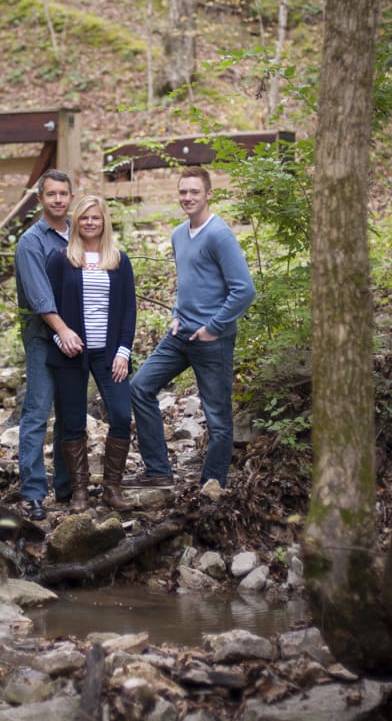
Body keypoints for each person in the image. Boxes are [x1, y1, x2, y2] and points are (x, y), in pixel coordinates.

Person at [123, 166, 255, 499]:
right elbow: (186, 282)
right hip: (180, 336)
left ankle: (211, 487)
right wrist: (175, 315)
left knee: (218, 419)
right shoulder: (179, 234)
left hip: (212, 341)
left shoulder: (219, 235)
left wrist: (214, 327)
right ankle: (159, 472)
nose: (188, 197)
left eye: (194, 191)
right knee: (140, 386)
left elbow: (244, 290)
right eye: (183, 192)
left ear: (208, 193)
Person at [43, 194, 136, 513]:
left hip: (109, 354)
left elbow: (128, 311)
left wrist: (123, 352)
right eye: (84, 218)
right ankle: (80, 491)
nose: (90, 223)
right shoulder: (60, 259)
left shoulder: (119, 261)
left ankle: (112, 488)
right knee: (72, 422)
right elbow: (47, 307)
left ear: (104, 221)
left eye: (95, 217)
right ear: (76, 222)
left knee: (122, 415)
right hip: (71, 354)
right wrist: (60, 340)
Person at [14, 170, 76, 521]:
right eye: (51, 194)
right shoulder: (31, 242)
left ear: (70, 198)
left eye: (63, 194)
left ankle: (67, 488)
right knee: (37, 413)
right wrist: (63, 331)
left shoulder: (78, 236)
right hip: (44, 339)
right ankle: (34, 491)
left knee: (70, 415)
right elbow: (40, 297)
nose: (57, 200)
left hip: (75, 342)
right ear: (40, 199)